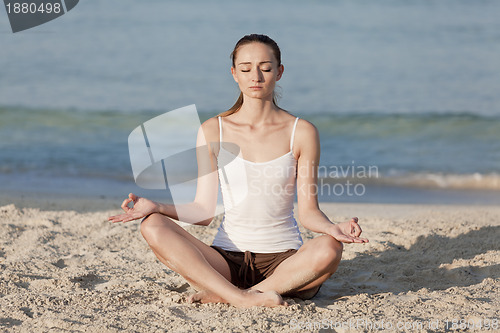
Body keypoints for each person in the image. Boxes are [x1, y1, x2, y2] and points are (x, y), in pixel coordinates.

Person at [108, 34, 368, 308]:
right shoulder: (213, 130)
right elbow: (203, 211)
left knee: (330, 248)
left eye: (265, 68)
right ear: (234, 74)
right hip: (225, 262)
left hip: (285, 264)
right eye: (245, 69)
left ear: (279, 72)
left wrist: (332, 227)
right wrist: (157, 206)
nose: (255, 76)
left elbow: (308, 212)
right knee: (152, 225)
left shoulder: (301, 132)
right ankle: (239, 297)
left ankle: (229, 295)